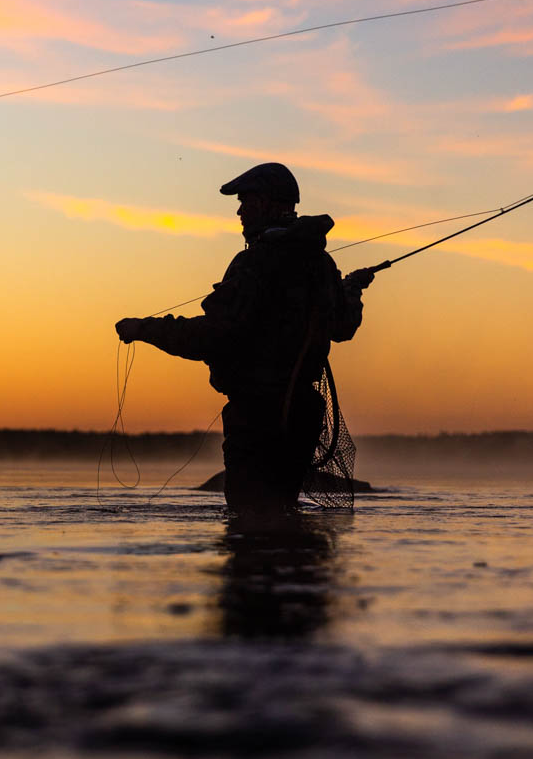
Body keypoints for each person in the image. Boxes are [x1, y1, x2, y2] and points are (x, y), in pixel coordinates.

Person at [115, 162, 373, 514]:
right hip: (300, 418)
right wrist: (351, 289)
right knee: (285, 523)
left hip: (257, 418)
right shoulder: (321, 265)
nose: (239, 211)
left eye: (247, 201)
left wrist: (142, 329)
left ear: (271, 205)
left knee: (249, 522)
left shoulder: (255, 264)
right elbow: (344, 326)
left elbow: (212, 336)